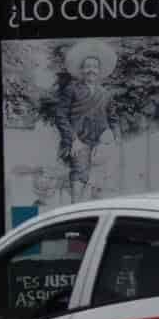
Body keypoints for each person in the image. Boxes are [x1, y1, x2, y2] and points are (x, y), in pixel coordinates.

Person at [53, 39, 120, 203]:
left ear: (99, 70)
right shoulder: (72, 89)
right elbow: (60, 116)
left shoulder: (105, 93)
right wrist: (73, 140)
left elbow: (113, 118)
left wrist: (115, 137)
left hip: (101, 143)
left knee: (100, 182)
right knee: (80, 173)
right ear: (81, 69)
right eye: (87, 66)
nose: (91, 70)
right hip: (79, 141)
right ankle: (74, 210)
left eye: (95, 67)